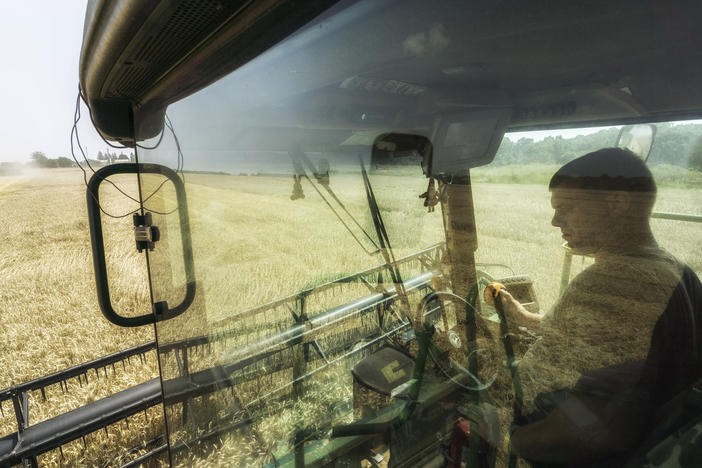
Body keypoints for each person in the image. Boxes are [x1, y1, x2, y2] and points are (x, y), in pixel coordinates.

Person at [484, 147, 702, 466]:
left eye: (566, 208)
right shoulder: (679, 271)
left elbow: (595, 429)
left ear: (617, 202)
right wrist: (519, 314)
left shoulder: (613, 281)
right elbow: (594, 335)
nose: (555, 220)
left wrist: (510, 436)